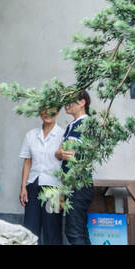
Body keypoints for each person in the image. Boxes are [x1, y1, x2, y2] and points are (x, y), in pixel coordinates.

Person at [19, 106, 65, 244]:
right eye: (44, 109)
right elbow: (28, 162)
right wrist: (23, 187)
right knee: (30, 230)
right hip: (33, 185)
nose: (47, 113)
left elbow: (66, 167)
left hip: (54, 189)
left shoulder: (63, 135)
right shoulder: (31, 135)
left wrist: (63, 193)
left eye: (51, 109)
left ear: (57, 112)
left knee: (52, 230)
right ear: (39, 112)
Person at [57, 89, 94, 245]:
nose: (66, 105)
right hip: (71, 185)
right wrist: (61, 153)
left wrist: (68, 154)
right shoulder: (71, 125)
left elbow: (86, 153)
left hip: (79, 184)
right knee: (79, 230)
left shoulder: (87, 123)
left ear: (82, 102)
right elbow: (61, 152)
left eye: (70, 100)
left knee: (73, 231)